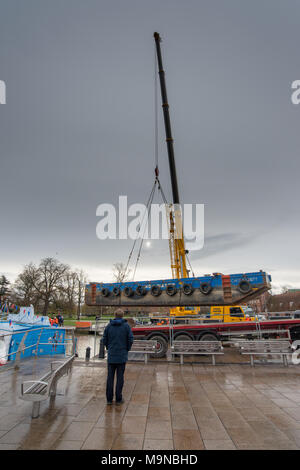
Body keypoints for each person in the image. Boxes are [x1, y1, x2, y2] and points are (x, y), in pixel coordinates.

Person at [102, 308, 133, 405]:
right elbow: (130, 339)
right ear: (122, 315)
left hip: (111, 355)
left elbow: (104, 339)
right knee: (120, 378)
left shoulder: (108, 326)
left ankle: (109, 399)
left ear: (115, 315)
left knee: (110, 378)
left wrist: (108, 348)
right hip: (122, 355)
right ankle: (118, 399)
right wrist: (127, 349)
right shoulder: (126, 326)